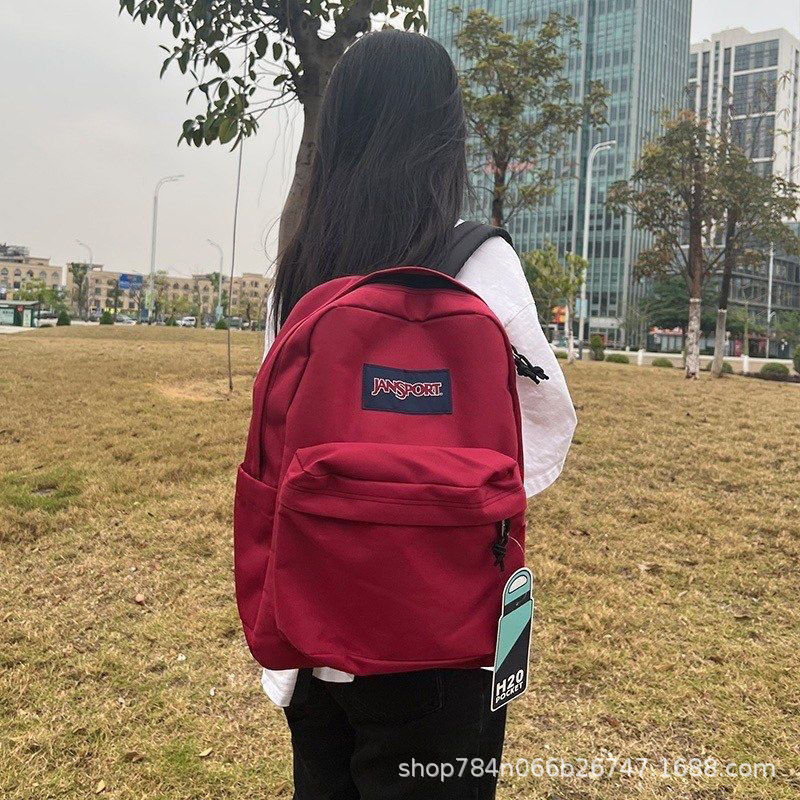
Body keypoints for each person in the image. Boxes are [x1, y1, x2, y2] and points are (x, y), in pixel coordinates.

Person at [263, 29, 576, 800]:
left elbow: (272, 433)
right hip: (442, 635)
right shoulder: (480, 262)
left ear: (339, 128)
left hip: (311, 626)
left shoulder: (300, 266)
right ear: (447, 137)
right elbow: (544, 424)